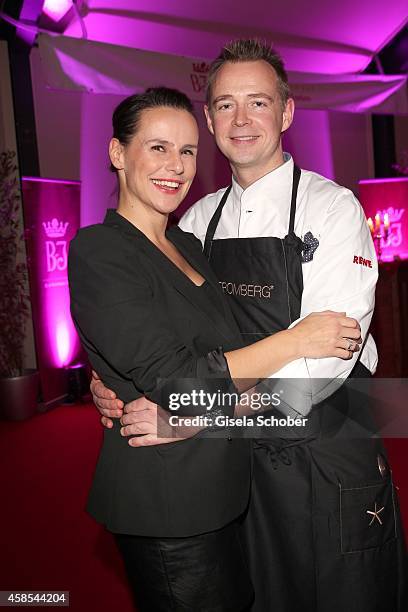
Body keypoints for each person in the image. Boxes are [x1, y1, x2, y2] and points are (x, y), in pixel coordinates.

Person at [90, 43, 407, 611]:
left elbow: (322, 367)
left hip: (326, 449)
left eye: (258, 103)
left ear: (285, 114)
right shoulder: (194, 220)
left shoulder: (334, 209)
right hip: (237, 468)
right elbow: (160, 329)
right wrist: (111, 377)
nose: (241, 120)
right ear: (209, 119)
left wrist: (198, 416)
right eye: (226, 105)